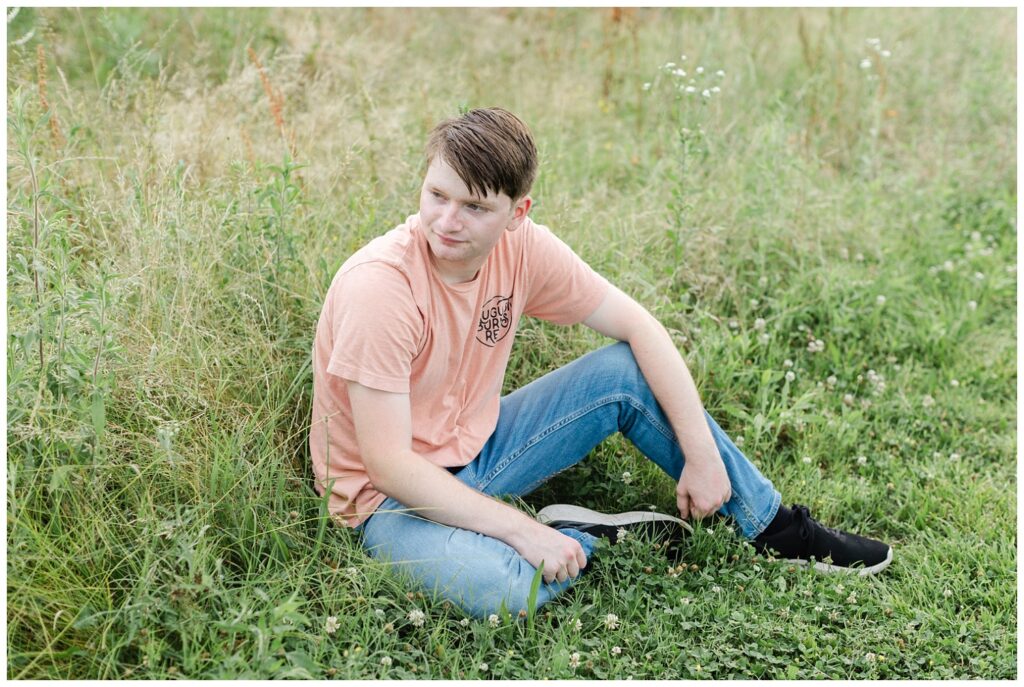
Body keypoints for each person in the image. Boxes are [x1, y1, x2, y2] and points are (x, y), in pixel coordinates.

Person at [309, 107, 892, 618]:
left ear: (517, 212)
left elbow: (640, 327)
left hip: (479, 448)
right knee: (510, 592)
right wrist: (524, 530)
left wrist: (702, 454)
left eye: (474, 207)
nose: (446, 222)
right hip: (390, 503)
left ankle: (775, 528)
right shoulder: (380, 289)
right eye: (436, 195)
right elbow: (386, 465)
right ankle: (579, 534)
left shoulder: (524, 247)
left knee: (623, 372)